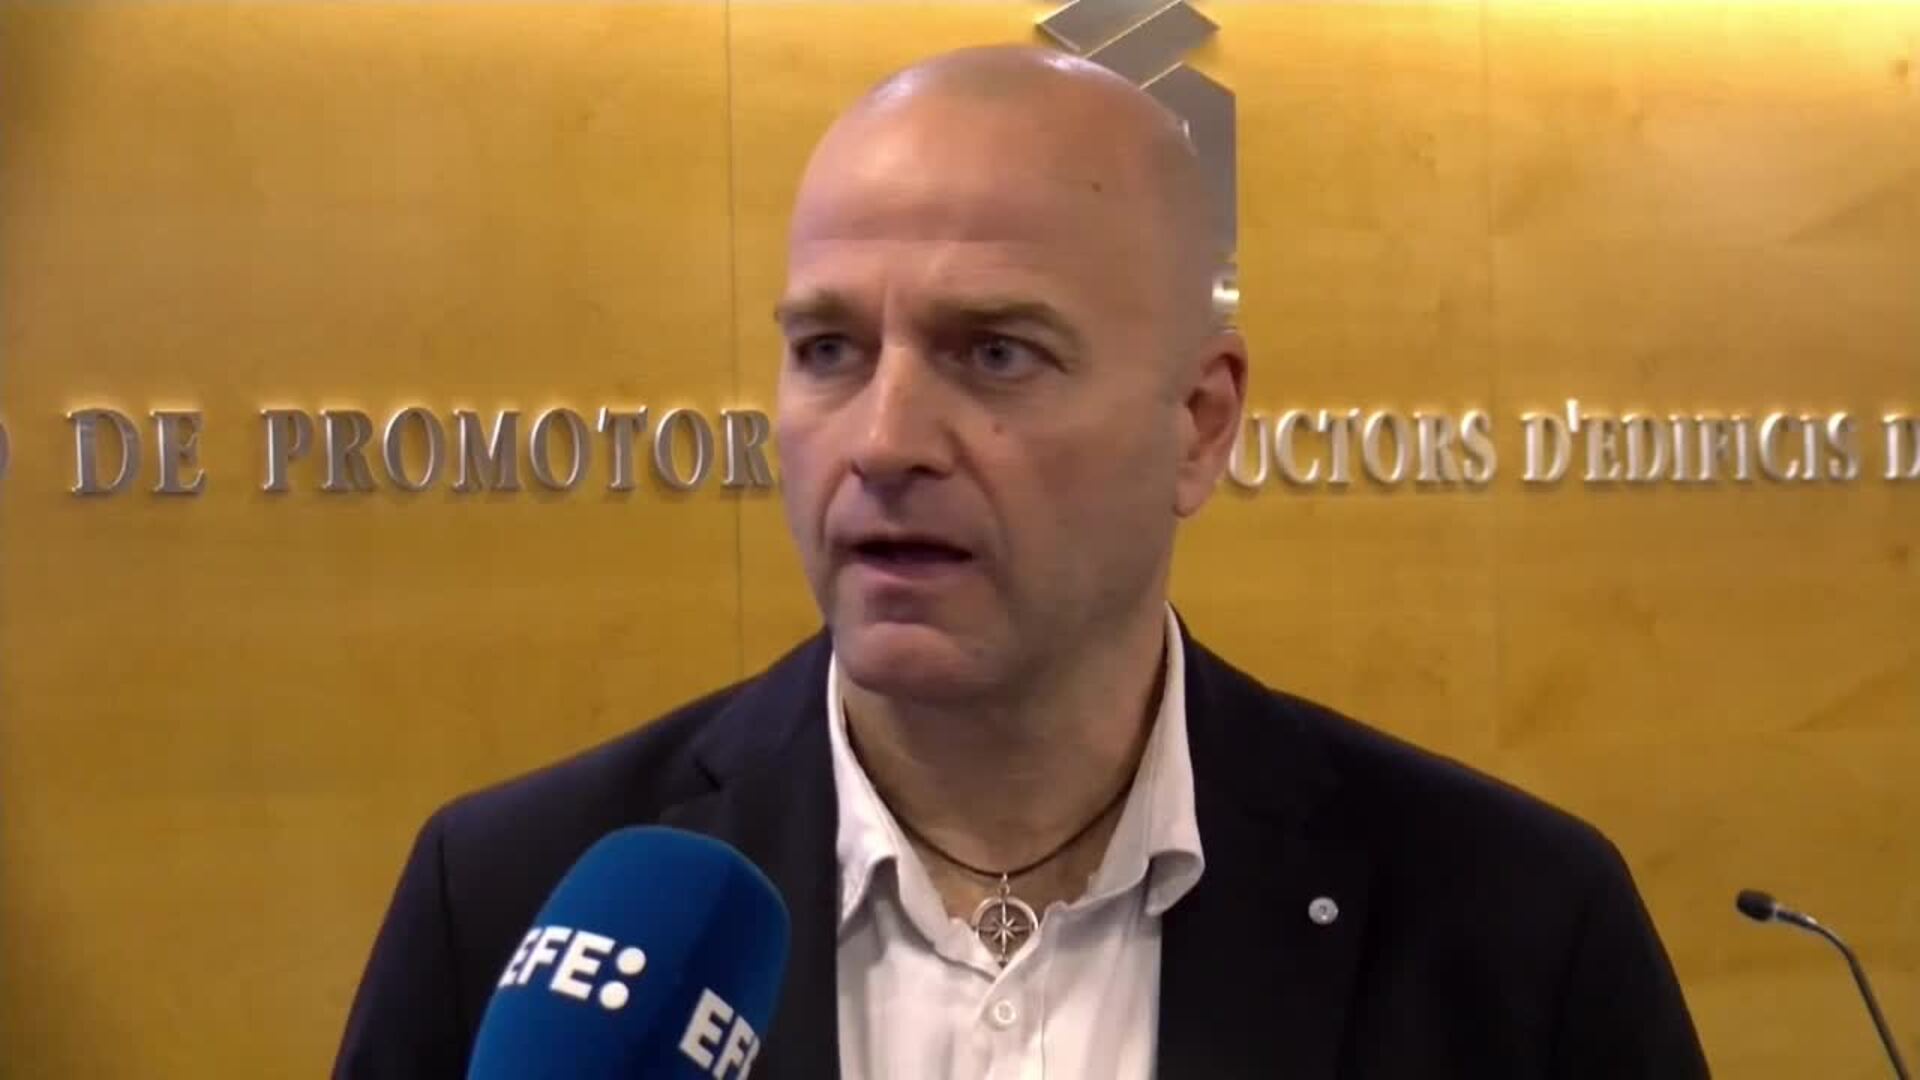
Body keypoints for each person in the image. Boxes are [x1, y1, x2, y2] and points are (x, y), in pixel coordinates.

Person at [336, 45, 1708, 1078]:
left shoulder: (1515, 932)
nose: (884, 441)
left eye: (995, 352)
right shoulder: (509, 900)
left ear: (1198, 422)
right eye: (828, 350)